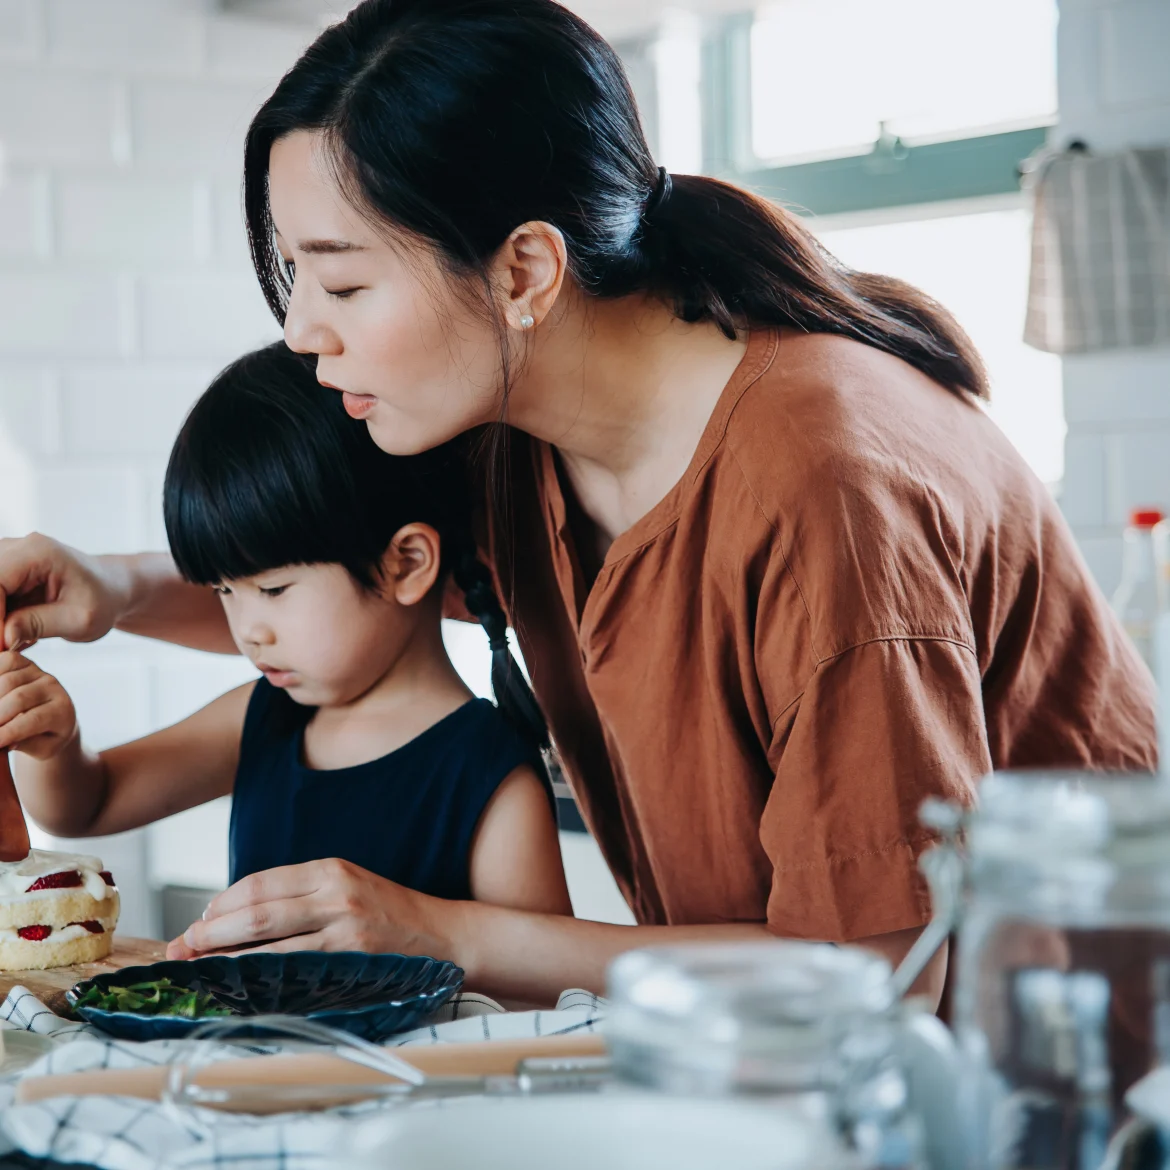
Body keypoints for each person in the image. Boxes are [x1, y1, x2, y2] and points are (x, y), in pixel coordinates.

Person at [0, 0, 1155, 1008]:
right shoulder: (524, 435)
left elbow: (876, 973)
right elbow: (360, 593)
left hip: (1058, 1088)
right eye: (297, 277)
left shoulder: (824, 484)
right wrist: (117, 592)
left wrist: (441, 931)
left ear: (524, 273)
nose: (303, 329)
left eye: (343, 278)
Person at [0, 343, 571, 956]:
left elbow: (539, 1003)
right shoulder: (265, 716)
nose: (248, 629)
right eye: (225, 589)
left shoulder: (489, 773)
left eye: (273, 589)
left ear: (406, 563)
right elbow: (88, 805)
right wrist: (52, 744)